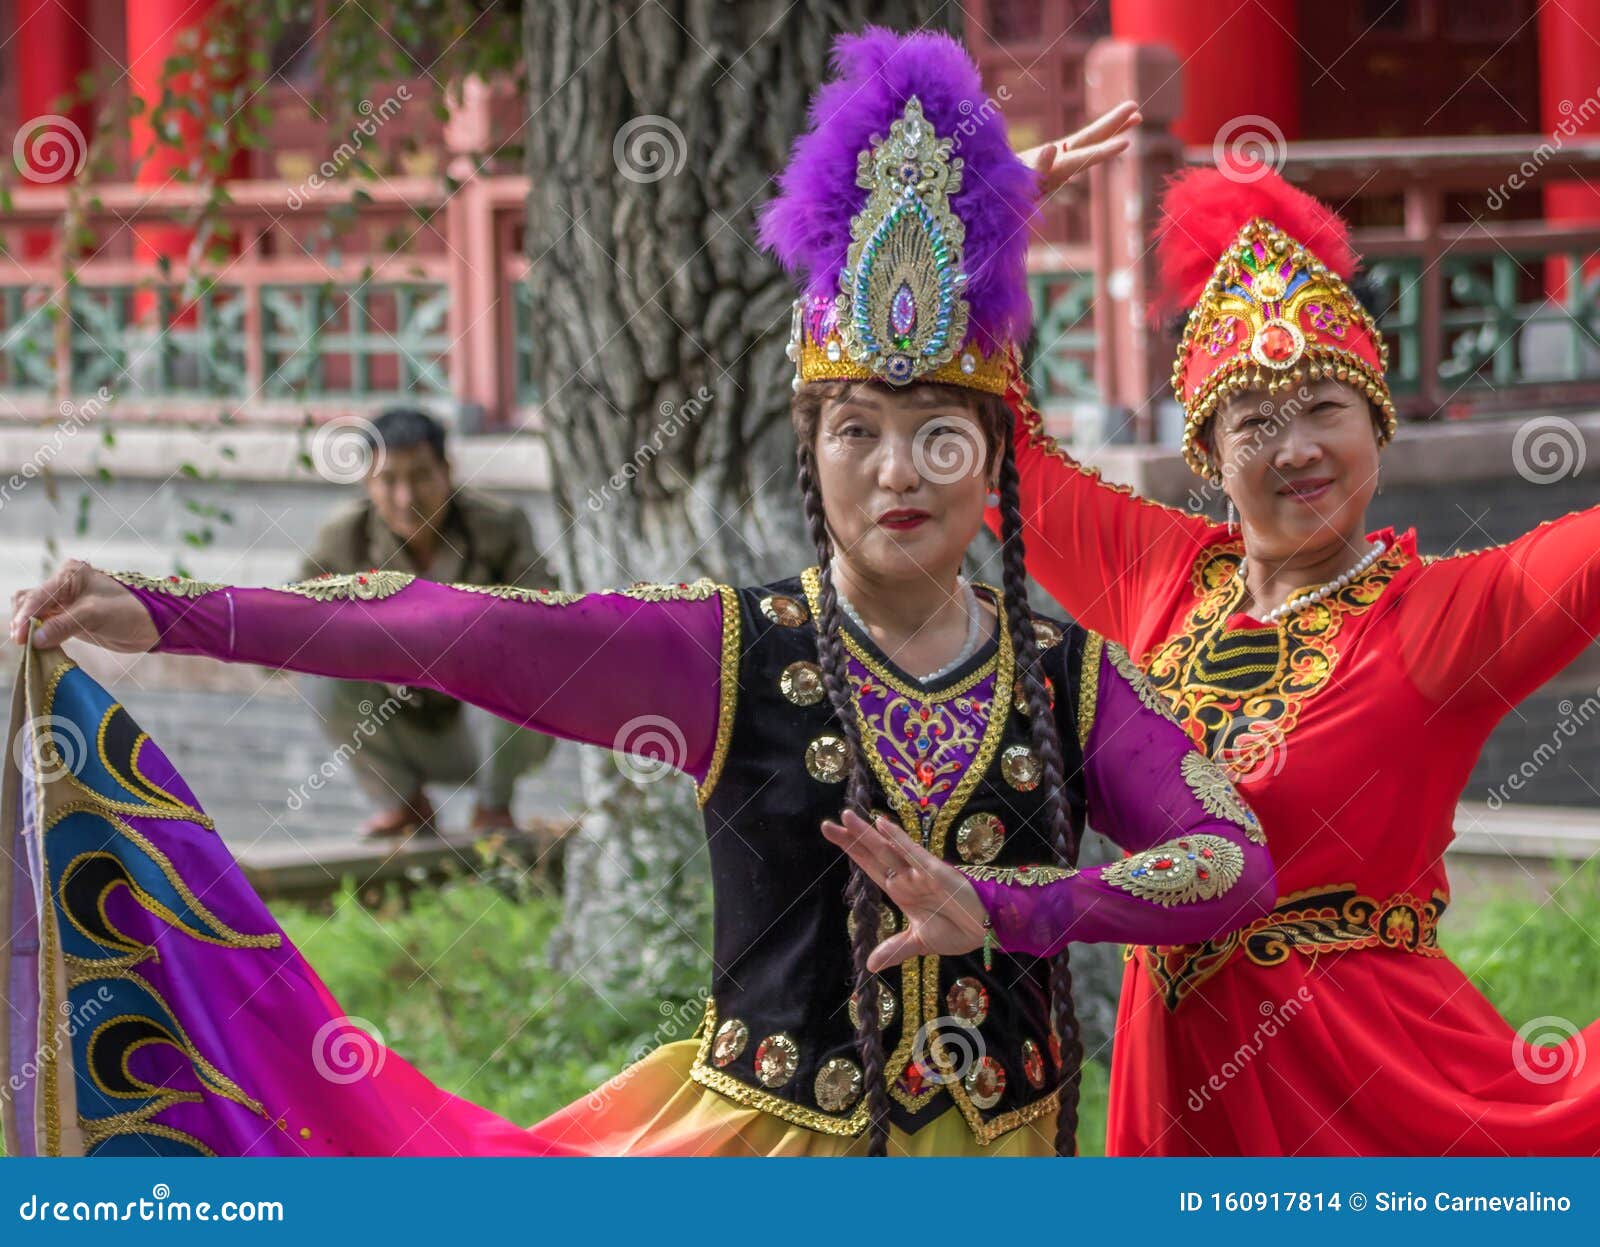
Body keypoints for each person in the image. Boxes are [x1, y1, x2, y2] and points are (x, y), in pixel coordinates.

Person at [3, 29, 1271, 1158]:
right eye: (855, 431)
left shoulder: (1066, 672)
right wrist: (171, 609)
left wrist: (1007, 906)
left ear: (992, 455)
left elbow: (1230, 861)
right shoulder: (727, 649)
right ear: (807, 451)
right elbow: (455, 629)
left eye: (939, 430)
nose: (898, 469)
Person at [849, 155, 1600, 1155]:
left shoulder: (1445, 615)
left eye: (1326, 409)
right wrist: (974, 223)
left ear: (1378, 425)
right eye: (1255, 420)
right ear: (1208, 451)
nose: (1296, 447)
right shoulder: (1161, 575)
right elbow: (997, 445)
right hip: (1178, 1070)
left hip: (1368, 1077)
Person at [298, 406, 557, 839]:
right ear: (367, 483)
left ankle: (494, 808)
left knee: (522, 666)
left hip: (493, 731)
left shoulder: (499, 526)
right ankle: (402, 803)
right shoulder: (345, 538)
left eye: (421, 476)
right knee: (318, 680)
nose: (407, 498)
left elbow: (546, 620)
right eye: (389, 481)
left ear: (447, 471)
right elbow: (294, 626)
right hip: (396, 725)